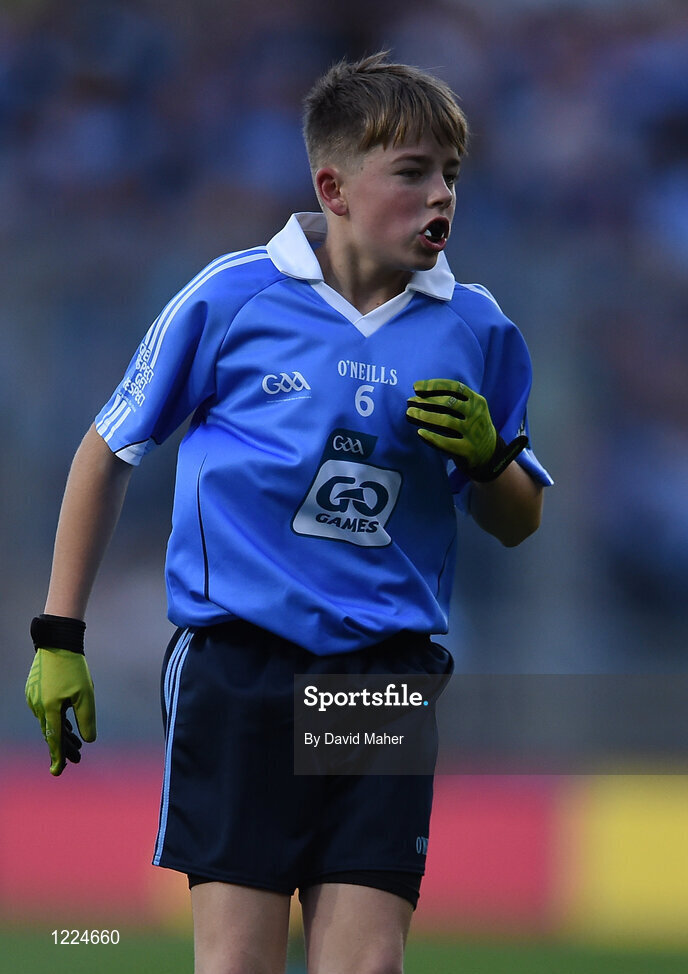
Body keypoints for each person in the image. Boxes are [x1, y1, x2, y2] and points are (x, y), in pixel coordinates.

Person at [25, 52, 552, 974]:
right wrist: (57, 636)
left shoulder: (474, 328)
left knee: (366, 966)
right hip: (243, 669)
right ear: (333, 187)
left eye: (452, 176)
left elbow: (517, 518)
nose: (441, 198)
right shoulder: (234, 296)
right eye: (413, 172)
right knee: (238, 965)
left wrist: (491, 456)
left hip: (380, 674)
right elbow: (107, 450)